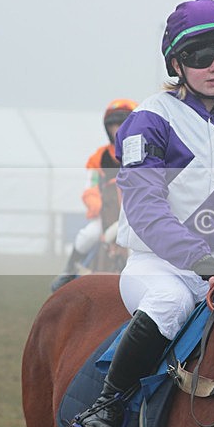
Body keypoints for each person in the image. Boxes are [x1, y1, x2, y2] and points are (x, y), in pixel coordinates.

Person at [71, 0, 214, 427]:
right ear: (176, 62)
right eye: (200, 56)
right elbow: (147, 209)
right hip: (162, 267)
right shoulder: (147, 121)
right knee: (171, 302)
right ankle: (107, 407)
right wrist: (201, 259)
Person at [51, 99, 137, 292]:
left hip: (134, 217)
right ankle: (69, 271)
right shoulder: (99, 157)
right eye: (113, 125)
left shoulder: (141, 153)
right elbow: (91, 187)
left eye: (121, 125)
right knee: (86, 236)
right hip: (106, 214)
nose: (117, 130)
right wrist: (95, 205)